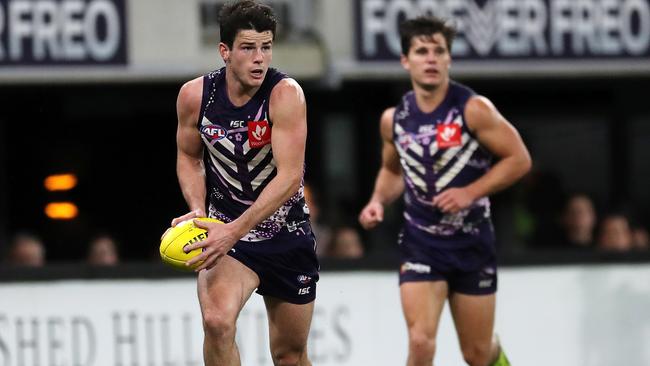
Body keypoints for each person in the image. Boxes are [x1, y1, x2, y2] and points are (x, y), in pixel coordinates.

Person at [358, 16, 531, 366]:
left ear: (450, 58)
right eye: (422, 51)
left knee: (478, 354)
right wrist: (378, 201)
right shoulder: (395, 119)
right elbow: (393, 169)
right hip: (421, 243)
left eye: (439, 51)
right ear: (406, 60)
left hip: (471, 242)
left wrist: (471, 191)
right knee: (421, 343)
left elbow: (519, 159)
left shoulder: (473, 109)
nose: (431, 59)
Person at [171, 1, 318, 365]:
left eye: (266, 47)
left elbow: (289, 178)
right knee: (217, 322)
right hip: (227, 233)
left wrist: (233, 231)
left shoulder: (285, 95)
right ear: (225, 52)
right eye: (248, 48)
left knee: (289, 355)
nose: (259, 59)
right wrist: (197, 211)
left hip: (285, 233)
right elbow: (189, 158)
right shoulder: (195, 97)